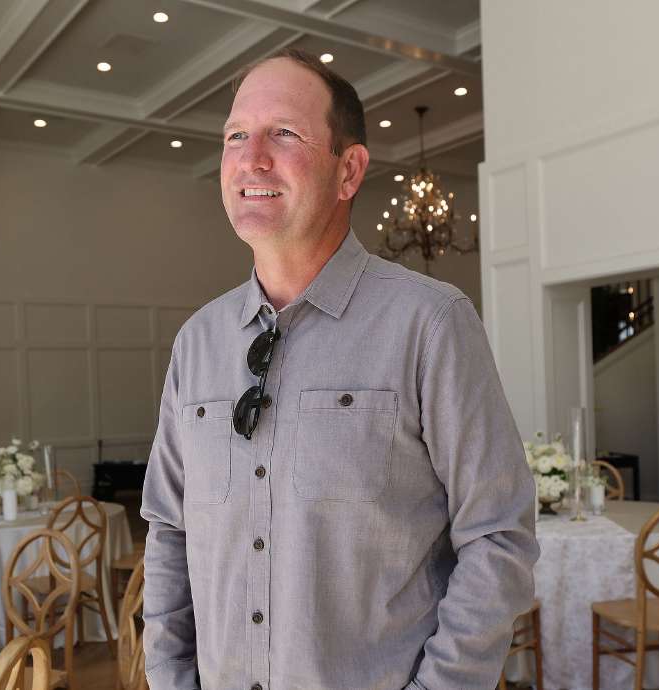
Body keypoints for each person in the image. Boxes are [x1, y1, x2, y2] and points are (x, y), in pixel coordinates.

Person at [140, 49, 540, 690]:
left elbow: (498, 536)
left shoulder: (430, 324)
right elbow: (168, 532)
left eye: (284, 134)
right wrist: (169, 677)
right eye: (236, 135)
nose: (252, 158)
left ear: (348, 170)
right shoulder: (197, 343)